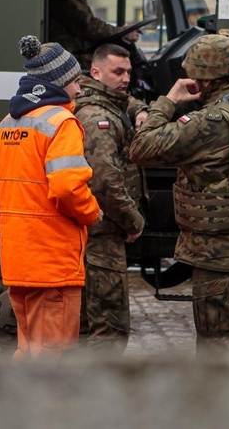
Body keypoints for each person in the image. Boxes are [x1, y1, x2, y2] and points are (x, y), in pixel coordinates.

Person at [129, 34, 229, 353]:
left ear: (202, 78)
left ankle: (221, 405)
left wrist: (168, 100)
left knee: (218, 353)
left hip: (219, 257)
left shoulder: (212, 123)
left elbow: (142, 147)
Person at [0, 35, 102, 360]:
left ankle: (18, 410)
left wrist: (9, 234)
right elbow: (66, 186)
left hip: (20, 260)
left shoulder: (7, 124)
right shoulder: (62, 123)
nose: (79, 89)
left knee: (29, 349)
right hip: (53, 265)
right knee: (52, 361)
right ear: (59, 84)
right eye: (75, 81)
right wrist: (91, 213)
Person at [74, 43, 147, 353]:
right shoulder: (97, 119)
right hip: (101, 236)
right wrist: (133, 220)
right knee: (108, 329)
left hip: (95, 234)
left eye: (128, 72)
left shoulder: (101, 103)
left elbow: (123, 98)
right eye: (118, 71)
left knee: (90, 325)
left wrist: (139, 108)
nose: (125, 78)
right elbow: (105, 183)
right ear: (96, 72)